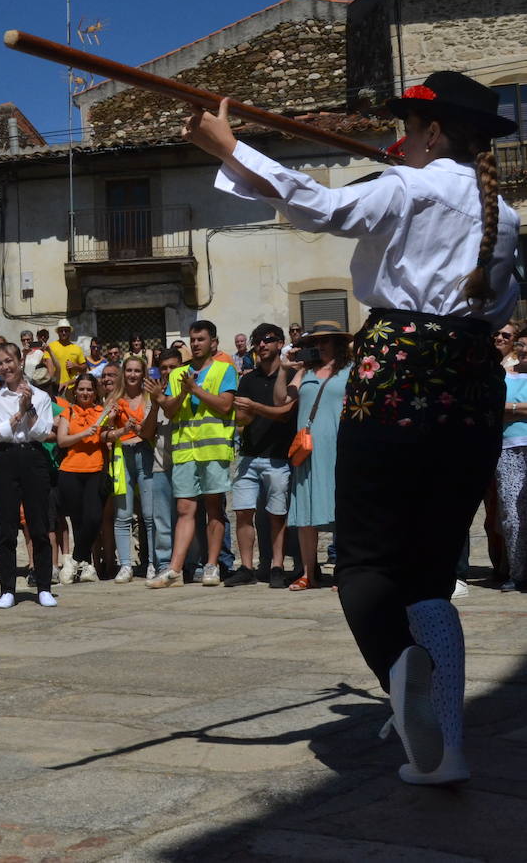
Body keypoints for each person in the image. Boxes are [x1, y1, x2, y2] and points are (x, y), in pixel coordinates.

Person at [187, 74, 520, 785]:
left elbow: (320, 207)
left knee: (365, 560)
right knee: (430, 574)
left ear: (432, 133)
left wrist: (231, 147)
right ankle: (446, 746)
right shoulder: (508, 217)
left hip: (397, 372)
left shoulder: (408, 188)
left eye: (408, 124)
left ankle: (402, 677)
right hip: (470, 383)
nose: (398, 135)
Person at [148, 320, 237, 588]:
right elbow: (172, 411)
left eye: (201, 339)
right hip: (185, 450)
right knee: (184, 508)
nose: (196, 344)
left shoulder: (225, 369)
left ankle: (211, 566)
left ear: (213, 342)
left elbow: (225, 405)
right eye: (193, 339)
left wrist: (196, 389)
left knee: (214, 509)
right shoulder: (178, 375)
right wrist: (179, 394)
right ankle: (174, 570)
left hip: (213, 449)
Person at [274, 322, 350, 592]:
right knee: (305, 511)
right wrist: (284, 369)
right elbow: (281, 401)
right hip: (306, 450)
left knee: (342, 509)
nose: (319, 346)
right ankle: (309, 573)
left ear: (338, 344)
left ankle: (344, 573)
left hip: (338, 448)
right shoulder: (304, 371)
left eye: (326, 341)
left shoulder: (349, 372)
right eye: (315, 342)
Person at [0, 343, 55, 608]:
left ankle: (44, 586)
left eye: (9, 361)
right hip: (5, 458)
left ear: (19, 360)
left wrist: (30, 408)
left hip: (33, 457)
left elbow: (42, 432)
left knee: (38, 523)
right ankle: (8, 588)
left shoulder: (40, 396)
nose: (5, 367)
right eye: (0, 363)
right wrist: (20, 412)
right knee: (6, 525)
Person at [227, 324, 297, 588]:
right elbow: (242, 419)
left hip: (278, 456)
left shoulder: (291, 374)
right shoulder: (248, 379)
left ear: (280, 343)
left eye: (267, 340)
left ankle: (277, 566)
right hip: (249, 455)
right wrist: (240, 413)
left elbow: (286, 412)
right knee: (243, 512)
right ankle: (246, 567)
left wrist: (255, 407)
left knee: (277, 515)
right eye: (257, 341)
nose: (261, 345)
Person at [105, 355, 159, 584]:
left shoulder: (149, 398)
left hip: (145, 453)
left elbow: (155, 429)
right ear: (123, 373)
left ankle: (152, 564)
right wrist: (113, 421)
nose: (133, 375)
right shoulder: (114, 399)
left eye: (137, 370)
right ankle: (125, 565)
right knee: (123, 514)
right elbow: (103, 433)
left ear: (143, 373)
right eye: (129, 370)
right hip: (122, 455)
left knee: (149, 514)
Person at [56, 374, 110, 585]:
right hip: (70, 470)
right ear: (75, 391)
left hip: (95, 470)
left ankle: (75, 559)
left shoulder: (101, 413)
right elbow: (62, 441)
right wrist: (84, 433)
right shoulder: (67, 411)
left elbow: (105, 436)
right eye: (82, 389)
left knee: (94, 518)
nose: (85, 393)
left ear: (95, 392)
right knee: (78, 521)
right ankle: (86, 566)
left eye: (89, 389)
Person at [143, 347, 183, 579]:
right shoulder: (155, 394)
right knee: (162, 520)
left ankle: (191, 563)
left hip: (185, 463)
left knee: (188, 517)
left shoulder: (187, 392)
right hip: (160, 465)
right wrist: (157, 402)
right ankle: (163, 564)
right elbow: (147, 432)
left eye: (173, 367)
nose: (168, 372)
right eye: (164, 367)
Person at [495, 359, 527, 593]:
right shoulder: (502, 376)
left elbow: (503, 408)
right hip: (507, 450)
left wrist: (510, 409)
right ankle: (519, 574)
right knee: (512, 516)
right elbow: (492, 405)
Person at [49, 319, 85, 392]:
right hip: (56, 387)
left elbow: (84, 368)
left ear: (70, 332)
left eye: (66, 330)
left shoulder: (77, 348)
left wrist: (76, 366)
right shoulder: (51, 347)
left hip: (72, 387)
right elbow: (48, 367)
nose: (64, 333)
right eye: (61, 331)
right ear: (58, 332)